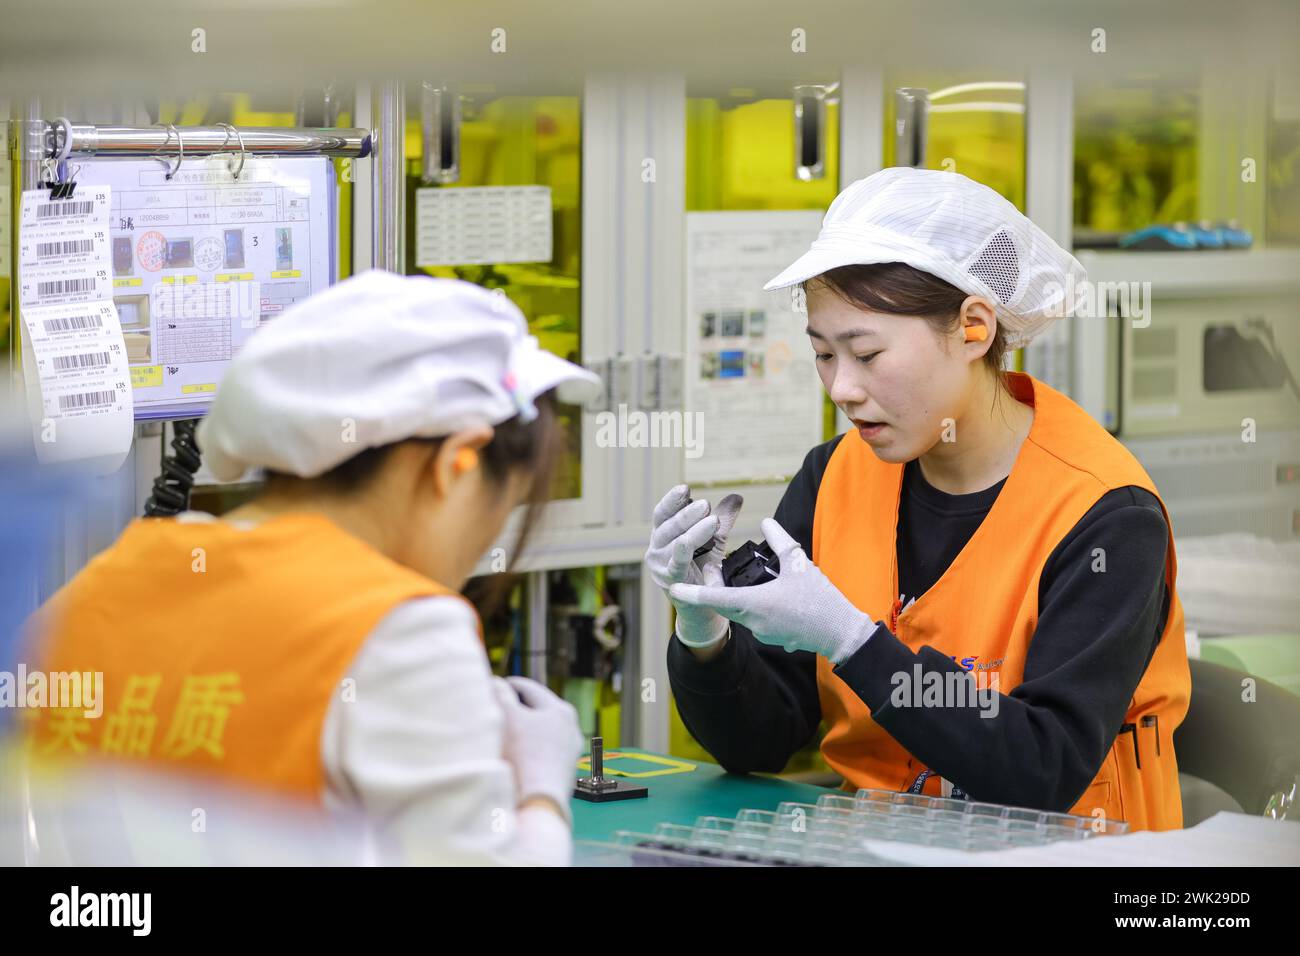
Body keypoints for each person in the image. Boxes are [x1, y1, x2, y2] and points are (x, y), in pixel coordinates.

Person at [648, 167, 1190, 831]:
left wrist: (851, 641)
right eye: (823, 354)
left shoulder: (1105, 514)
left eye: (867, 354)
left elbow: (1042, 768)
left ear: (972, 328)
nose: (841, 388)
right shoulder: (835, 477)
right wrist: (705, 631)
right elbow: (758, 741)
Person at [24, 269, 600, 864]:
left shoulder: (99, 587)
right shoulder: (404, 631)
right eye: (500, 508)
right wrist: (538, 792)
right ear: (457, 464)